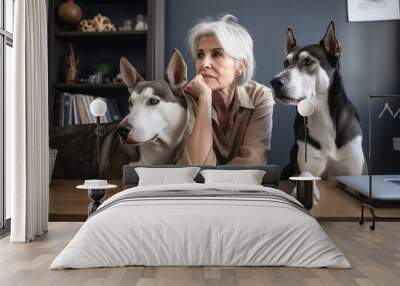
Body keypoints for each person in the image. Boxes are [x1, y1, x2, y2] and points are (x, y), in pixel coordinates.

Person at [177, 14, 275, 165]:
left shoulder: (260, 97)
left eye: (217, 54)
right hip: (195, 189)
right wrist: (204, 98)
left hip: (244, 189)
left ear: (240, 66)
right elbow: (196, 167)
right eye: (200, 55)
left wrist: (213, 177)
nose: (204, 63)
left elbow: (252, 164)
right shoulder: (186, 98)